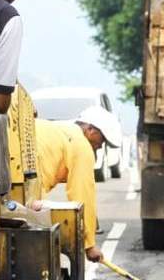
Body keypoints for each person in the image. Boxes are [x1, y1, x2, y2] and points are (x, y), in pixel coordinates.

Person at [35, 106, 122, 263]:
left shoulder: (60, 129)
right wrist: (89, 245)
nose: (101, 146)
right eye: (102, 140)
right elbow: (82, 195)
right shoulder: (82, 146)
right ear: (90, 130)